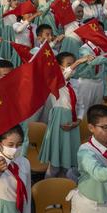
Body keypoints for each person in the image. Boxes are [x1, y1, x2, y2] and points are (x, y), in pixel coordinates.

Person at [39, 52, 91, 180]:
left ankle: (63, 189)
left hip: (73, 122)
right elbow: (63, 76)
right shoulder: (54, 79)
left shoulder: (75, 83)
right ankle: (47, 186)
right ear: (59, 67)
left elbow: (80, 105)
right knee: (55, 164)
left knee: (68, 164)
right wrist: (78, 62)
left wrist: (78, 120)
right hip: (59, 120)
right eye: (69, 64)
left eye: (73, 64)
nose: (73, 67)